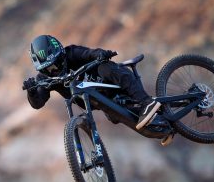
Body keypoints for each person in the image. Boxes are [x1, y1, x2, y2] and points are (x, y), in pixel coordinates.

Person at [22, 35, 161, 130]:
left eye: (56, 64)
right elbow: (38, 103)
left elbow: (90, 53)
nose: (54, 70)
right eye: (47, 69)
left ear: (61, 54)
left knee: (106, 67)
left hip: (113, 84)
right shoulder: (45, 78)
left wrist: (101, 54)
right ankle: (162, 124)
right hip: (105, 101)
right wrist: (32, 92)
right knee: (115, 117)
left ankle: (147, 102)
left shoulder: (71, 52)